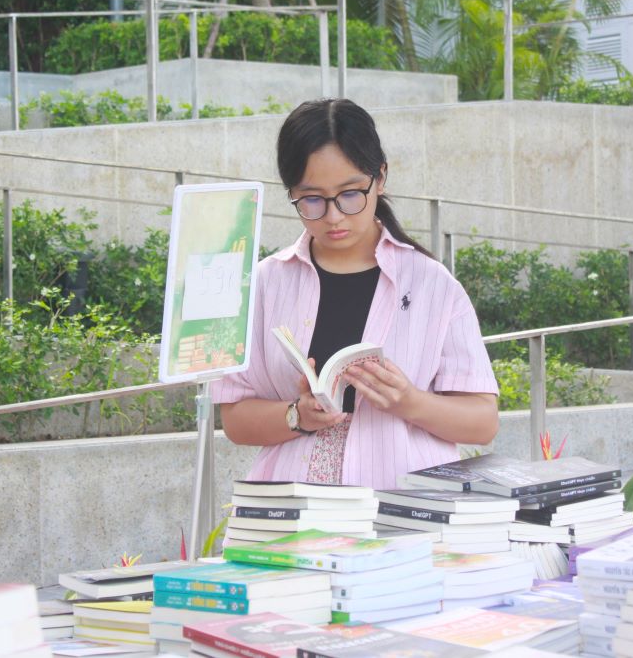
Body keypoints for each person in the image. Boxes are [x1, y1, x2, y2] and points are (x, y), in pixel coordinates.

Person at [212, 99, 499, 490]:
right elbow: (235, 419)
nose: (333, 217)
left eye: (350, 194)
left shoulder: (432, 284)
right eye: (311, 199)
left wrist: (409, 401)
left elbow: (483, 422)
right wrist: (297, 416)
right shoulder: (264, 283)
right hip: (294, 518)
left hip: (403, 514)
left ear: (379, 178)